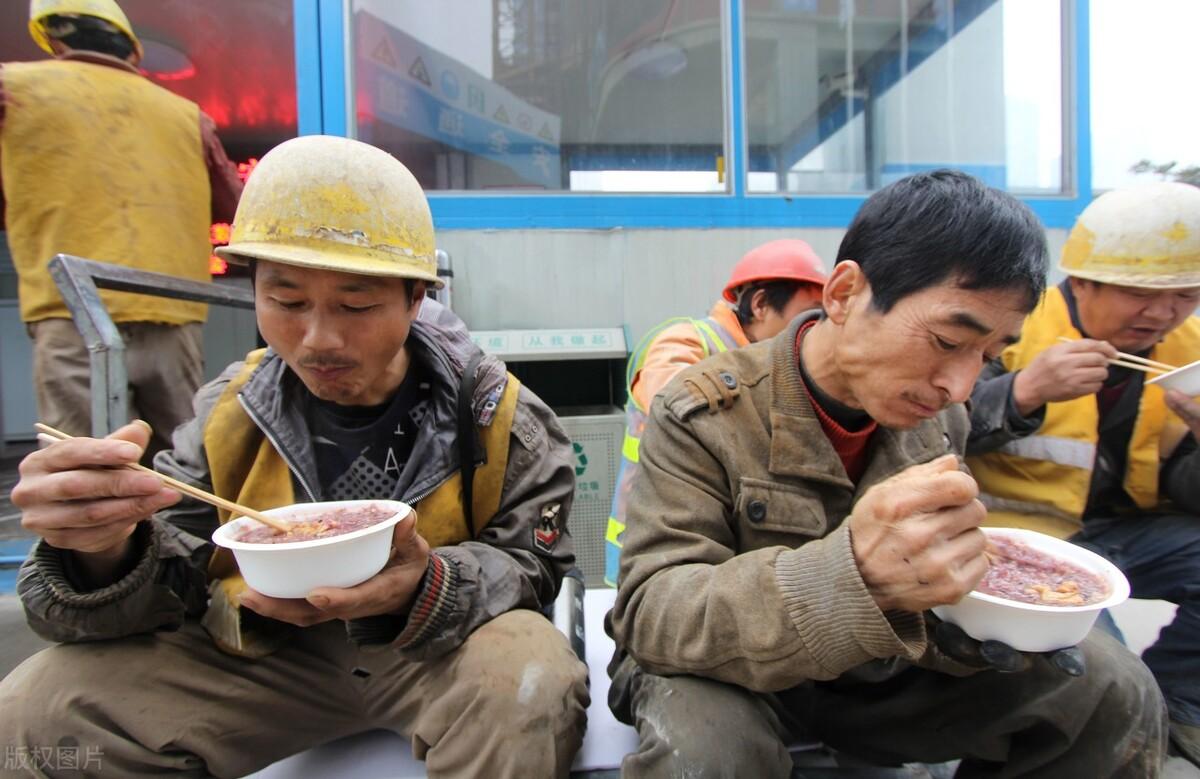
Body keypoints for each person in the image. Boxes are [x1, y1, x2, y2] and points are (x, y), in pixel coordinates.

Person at [0, 135, 589, 778]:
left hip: (435, 653)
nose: (318, 339)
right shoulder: (233, 410)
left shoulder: (498, 413)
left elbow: (535, 565)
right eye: (286, 301)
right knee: (33, 712)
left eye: (356, 304)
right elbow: (176, 576)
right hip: (261, 655)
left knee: (528, 679)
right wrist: (102, 548)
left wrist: (428, 585)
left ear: (418, 297)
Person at [607, 170, 1166, 777]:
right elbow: (654, 617)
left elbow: (924, 606)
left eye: (989, 356)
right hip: (723, 672)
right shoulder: (704, 409)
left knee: (1114, 689)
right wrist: (852, 574)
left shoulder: (938, 421)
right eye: (949, 339)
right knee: (710, 752)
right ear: (845, 294)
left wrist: (963, 625)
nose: (960, 386)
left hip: (868, 676)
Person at [966, 181, 1200, 767]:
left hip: (1132, 532)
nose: (1165, 313)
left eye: (1187, 295)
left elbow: (1184, 489)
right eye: (1140, 293)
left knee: (1133, 694)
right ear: (1083, 281)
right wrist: (1023, 392)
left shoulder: (1188, 352)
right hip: (1024, 540)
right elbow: (928, 426)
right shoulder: (1012, 324)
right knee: (1097, 678)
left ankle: (1180, 710)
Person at [0, 0, 243, 458]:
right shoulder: (185, 115)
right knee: (185, 460)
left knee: (79, 464)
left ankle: (100, 532)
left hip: (72, 309)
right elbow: (236, 206)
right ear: (133, 52)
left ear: (54, 39)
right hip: (173, 312)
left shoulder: (14, 87)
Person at [604, 239, 827, 585]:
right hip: (652, 541)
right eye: (809, 313)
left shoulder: (777, 360)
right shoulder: (686, 341)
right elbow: (672, 404)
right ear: (761, 304)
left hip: (724, 545)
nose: (814, 328)